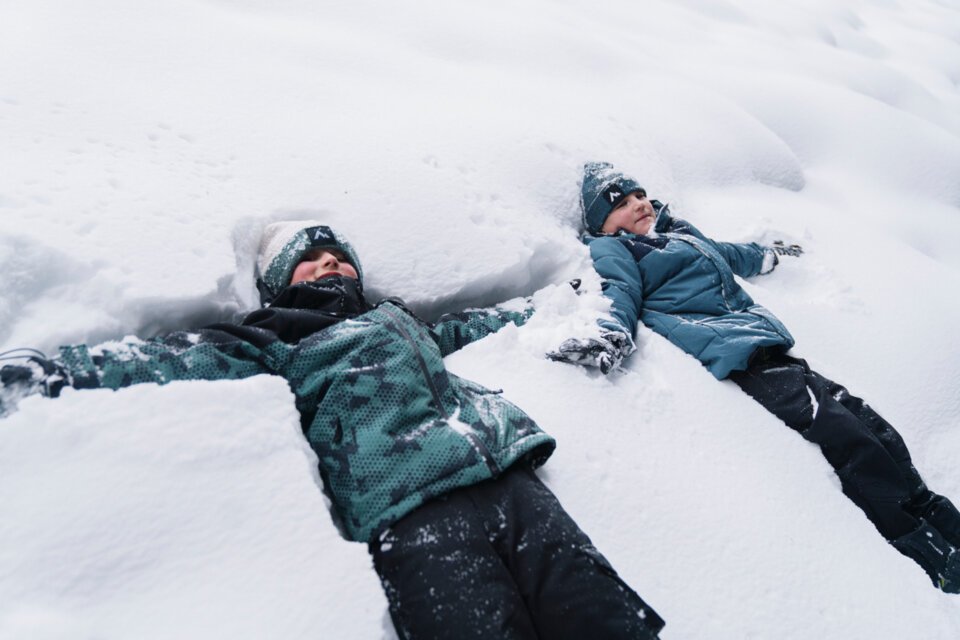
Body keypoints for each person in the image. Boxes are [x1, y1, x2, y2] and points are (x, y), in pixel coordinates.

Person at [0, 220, 665, 640]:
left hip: (509, 478)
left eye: (337, 256)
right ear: (278, 282)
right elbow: (171, 358)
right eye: (309, 258)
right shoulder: (272, 335)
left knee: (604, 617)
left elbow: (484, 324)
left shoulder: (398, 320)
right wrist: (52, 372)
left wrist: (566, 299)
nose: (328, 265)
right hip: (405, 511)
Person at [549, 161, 960, 594]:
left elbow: (726, 254)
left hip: (770, 349)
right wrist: (611, 334)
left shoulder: (679, 236)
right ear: (603, 224)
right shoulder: (617, 250)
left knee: (872, 424)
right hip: (741, 359)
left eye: (639, 195)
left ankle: (936, 515)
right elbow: (620, 292)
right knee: (848, 439)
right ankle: (922, 549)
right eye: (621, 204)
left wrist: (767, 255)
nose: (638, 204)